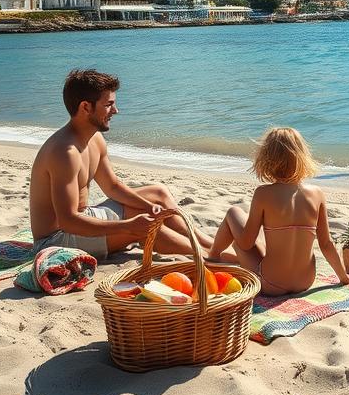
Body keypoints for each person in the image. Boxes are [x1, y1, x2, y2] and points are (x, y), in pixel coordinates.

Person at [29, 69, 213, 261]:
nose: (115, 111)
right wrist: (129, 226)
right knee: (144, 228)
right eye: (108, 105)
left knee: (158, 194)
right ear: (85, 107)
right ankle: (207, 256)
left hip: (85, 216)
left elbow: (112, 186)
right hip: (57, 240)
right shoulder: (64, 153)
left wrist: (150, 206)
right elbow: (68, 221)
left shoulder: (95, 139)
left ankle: (209, 244)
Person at [207, 127, 349, 295]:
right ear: (302, 156)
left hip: (270, 284)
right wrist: (344, 277)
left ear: (267, 159)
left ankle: (212, 257)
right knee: (265, 240)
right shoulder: (317, 194)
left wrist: (235, 231)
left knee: (234, 212)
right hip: (306, 281)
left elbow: (246, 243)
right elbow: (326, 244)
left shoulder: (263, 193)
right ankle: (219, 257)